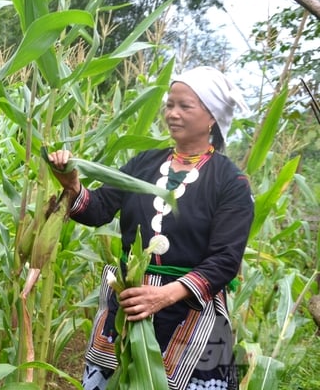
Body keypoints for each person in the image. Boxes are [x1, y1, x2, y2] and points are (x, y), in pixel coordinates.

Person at [47, 66, 254, 390]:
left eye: (185, 106)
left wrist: (165, 295)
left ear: (211, 116)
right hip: (129, 303)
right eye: (170, 104)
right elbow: (99, 208)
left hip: (191, 312)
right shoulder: (143, 164)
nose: (173, 113)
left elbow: (225, 260)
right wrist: (73, 185)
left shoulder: (230, 182)